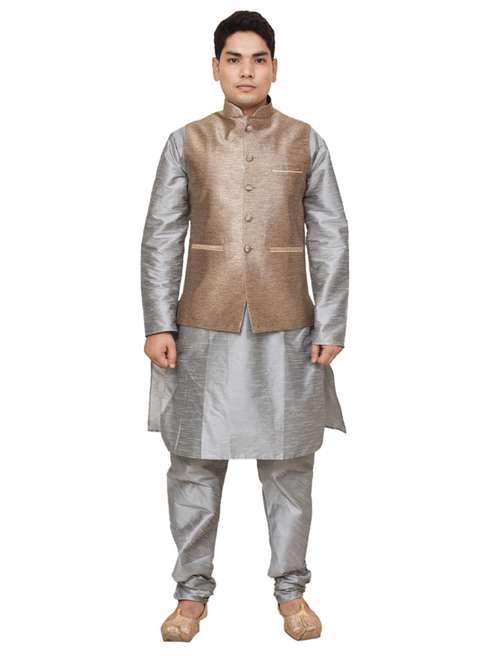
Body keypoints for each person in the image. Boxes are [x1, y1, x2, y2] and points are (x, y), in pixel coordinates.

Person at [140, 10, 349, 642]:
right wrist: (158, 322)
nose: (247, 71)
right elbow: (161, 235)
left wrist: (331, 321)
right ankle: (190, 595)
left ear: (275, 68)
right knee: (193, 462)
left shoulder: (305, 140)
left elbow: (330, 235)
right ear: (216, 68)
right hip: (202, 321)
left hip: (288, 324)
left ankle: (292, 592)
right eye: (234, 59)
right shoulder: (186, 141)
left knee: (289, 463)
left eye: (259, 59)